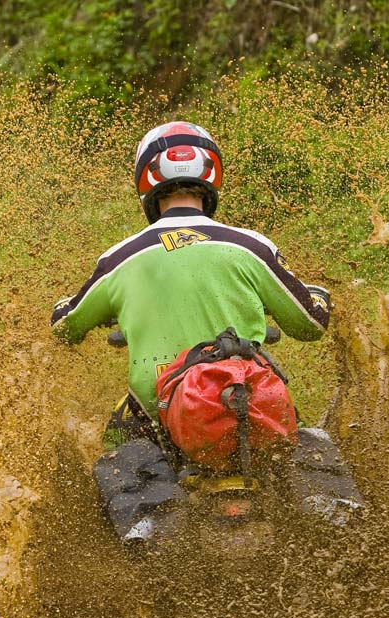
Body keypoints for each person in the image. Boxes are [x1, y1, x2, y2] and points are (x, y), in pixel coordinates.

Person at [51, 121, 361, 546]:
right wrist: (319, 297)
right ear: (212, 175)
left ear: (146, 180)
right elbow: (309, 325)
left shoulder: (120, 259)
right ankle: (334, 520)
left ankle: (134, 541)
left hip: (162, 411)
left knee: (118, 440)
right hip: (249, 402)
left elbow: (64, 327)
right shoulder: (250, 246)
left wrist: (81, 312)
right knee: (300, 431)